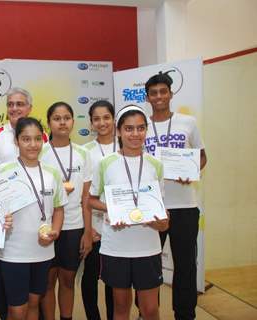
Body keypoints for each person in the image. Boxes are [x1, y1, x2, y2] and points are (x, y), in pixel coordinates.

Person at [89, 105, 169, 320]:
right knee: (121, 308)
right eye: (129, 129)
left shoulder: (156, 164)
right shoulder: (106, 164)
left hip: (148, 246)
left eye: (140, 128)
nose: (135, 134)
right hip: (116, 247)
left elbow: (160, 207)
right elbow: (91, 199)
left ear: (146, 130)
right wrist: (113, 209)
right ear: (119, 131)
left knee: (150, 309)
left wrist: (162, 222)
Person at [144, 73, 207, 320]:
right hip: (152, 206)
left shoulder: (187, 122)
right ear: (147, 97)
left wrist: (191, 171)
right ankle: (148, 312)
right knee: (149, 265)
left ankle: (185, 313)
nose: (159, 96)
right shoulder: (141, 125)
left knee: (186, 265)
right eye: (154, 93)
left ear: (170, 93)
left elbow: (202, 156)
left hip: (185, 205)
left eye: (163, 91)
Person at [0, 117, 68, 320]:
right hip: (13, 251)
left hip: (43, 251)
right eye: (26, 139)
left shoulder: (52, 173)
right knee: (17, 310)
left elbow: (59, 208)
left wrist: (55, 231)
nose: (33, 144)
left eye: (37, 139)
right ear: (16, 141)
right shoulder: (3, 172)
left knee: (35, 303)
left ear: (43, 140)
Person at [40, 102, 93, 320]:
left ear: (73, 121)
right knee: (48, 281)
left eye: (67, 117)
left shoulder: (82, 153)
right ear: (49, 123)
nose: (62, 122)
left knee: (69, 279)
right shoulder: (40, 152)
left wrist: (88, 233)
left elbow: (86, 197)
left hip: (74, 225)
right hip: (46, 226)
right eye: (56, 118)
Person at [81, 100, 117, 320]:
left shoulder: (126, 147)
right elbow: (84, 195)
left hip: (120, 225)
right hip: (94, 225)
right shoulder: (86, 151)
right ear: (91, 123)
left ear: (114, 119)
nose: (102, 122)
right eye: (97, 119)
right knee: (90, 275)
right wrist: (87, 230)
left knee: (114, 280)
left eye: (106, 117)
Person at [0, 87, 47, 163]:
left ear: (29, 109)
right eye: (10, 104)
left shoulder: (41, 135)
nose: (14, 108)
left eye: (19, 104)